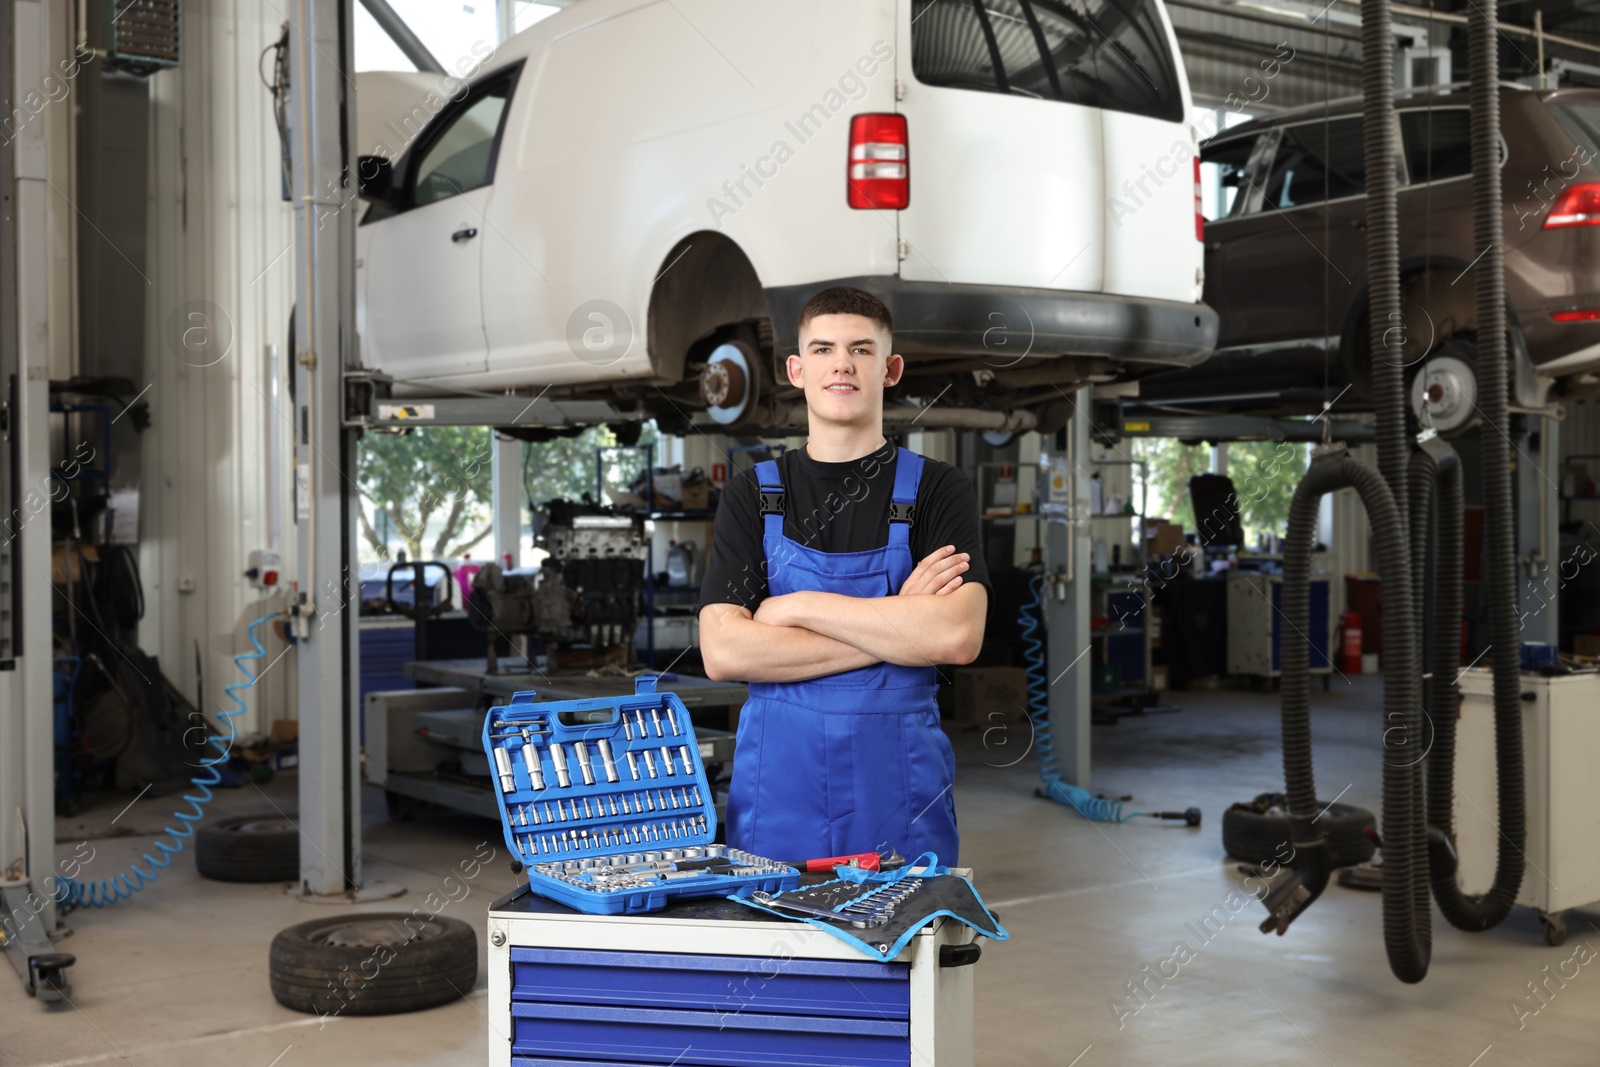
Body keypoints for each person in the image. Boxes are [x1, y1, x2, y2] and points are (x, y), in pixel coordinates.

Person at [697, 286, 989, 866]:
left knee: (899, 946)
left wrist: (795, 606)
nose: (842, 364)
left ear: (890, 369)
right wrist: (897, 629)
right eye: (824, 349)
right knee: (772, 950)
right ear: (797, 369)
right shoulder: (752, 492)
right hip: (780, 783)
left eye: (861, 349)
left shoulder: (938, 489)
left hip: (897, 788)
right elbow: (724, 652)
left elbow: (955, 637)